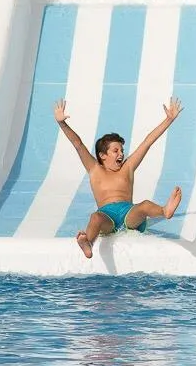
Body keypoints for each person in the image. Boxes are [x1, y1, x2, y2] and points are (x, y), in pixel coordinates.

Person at [55, 97, 184, 259]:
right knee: (95, 217)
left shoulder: (127, 168)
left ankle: (165, 211)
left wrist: (169, 119)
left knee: (144, 205)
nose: (121, 154)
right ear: (102, 155)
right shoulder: (94, 169)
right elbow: (78, 144)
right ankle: (88, 243)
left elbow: (147, 142)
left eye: (122, 150)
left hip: (129, 213)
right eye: (115, 151)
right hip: (106, 216)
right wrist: (62, 123)